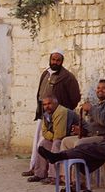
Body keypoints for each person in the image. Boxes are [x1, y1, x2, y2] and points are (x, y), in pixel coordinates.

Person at [38, 89, 105, 174]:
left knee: (84, 148)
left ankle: (58, 158)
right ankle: (78, 177)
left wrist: (91, 109)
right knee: (85, 149)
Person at [23, 49, 81, 177]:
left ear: (62, 61)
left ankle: (53, 175)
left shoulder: (67, 77)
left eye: (58, 60)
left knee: (55, 142)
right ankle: (37, 170)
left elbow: (75, 98)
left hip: (60, 115)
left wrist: (63, 111)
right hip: (45, 113)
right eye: (53, 59)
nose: (55, 62)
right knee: (39, 143)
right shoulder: (45, 73)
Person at [28, 96, 78, 184]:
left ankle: (54, 176)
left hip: (72, 137)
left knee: (56, 143)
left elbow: (59, 135)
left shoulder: (61, 112)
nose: (47, 106)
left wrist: (51, 135)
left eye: (49, 104)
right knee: (43, 143)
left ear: (56, 104)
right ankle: (40, 173)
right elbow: (44, 132)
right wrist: (52, 135)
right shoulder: (46, 114)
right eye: (44, 104)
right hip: (58, 137)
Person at [61, 79, 105, 150]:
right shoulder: (98, 104)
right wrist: (83, 131)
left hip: (104, 137)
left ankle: (77, 161)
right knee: (65, 141)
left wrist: (91, 109)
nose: (100, 90)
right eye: (98, 88)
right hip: (93, 135)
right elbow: (93, 125)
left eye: (104, 88)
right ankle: (65, 161)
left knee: (79, 144)